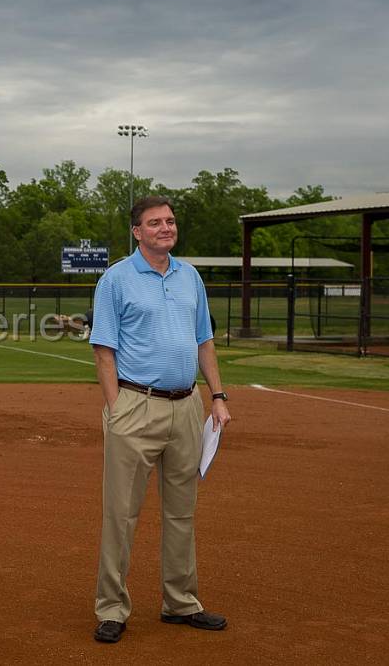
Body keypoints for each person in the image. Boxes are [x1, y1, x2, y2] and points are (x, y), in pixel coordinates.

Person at [89, 195, 232, 644]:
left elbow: (204, 341)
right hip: (136, 404)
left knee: (181, 513)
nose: (165, 228)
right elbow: (103, 349)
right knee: (121, 514)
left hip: (186, 404)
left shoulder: (190, 276)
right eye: (155, 223)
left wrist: (218, 396)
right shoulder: (116, 279)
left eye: (170, 221)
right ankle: (111, 608)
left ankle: (181, 602)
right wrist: (116, 408)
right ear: (137, 232)